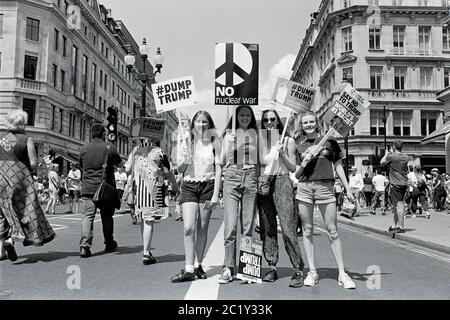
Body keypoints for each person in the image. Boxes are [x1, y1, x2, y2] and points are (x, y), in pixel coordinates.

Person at [294, 112, 356, 289]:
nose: (309, 124)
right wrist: (306, 160)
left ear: (317, 122)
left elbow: (338, 166)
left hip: (326, 187)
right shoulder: (299, 145)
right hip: (305, 188)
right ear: (302, 125)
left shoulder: (330, 142)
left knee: (333, 231)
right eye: (305, 122)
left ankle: (342, 273)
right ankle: (312, 271)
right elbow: (297, 174)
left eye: (311, 121)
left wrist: (348, 188)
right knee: (306, 230)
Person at [170, 111, 221, 282]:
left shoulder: (215, 142)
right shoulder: (186, 142)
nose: (201, 125)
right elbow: (181, 169)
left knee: (202, 227)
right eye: (198, 122)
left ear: (209, 124)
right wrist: (186, 157)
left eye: (205, 121)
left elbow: (219, 168)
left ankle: (199, 265)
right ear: (193, 124)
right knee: (188, 227)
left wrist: (216, 194)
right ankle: (188, 268)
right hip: (189, 186)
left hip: (208, 186)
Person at [256, 109, 305, 287]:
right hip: (264, 182)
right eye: (266, 120)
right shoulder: (260, 140)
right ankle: (271, 266)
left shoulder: (287, 140)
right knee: (267, 226)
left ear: (278, 121)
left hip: (282, 182)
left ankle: (298, 269)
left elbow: (293, 168)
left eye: (272, 119)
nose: (269, 122)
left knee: (287, 227)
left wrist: (282, 153)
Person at [0, 109, 55, 261]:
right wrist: (33, 169)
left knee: (4, 211)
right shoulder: (26, 139)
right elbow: (33, 163)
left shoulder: (4, 139)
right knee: (26, 209)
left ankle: (0, 251)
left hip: (1, 178)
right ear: (23, 123)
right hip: (20, 179)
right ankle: (11, 240)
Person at [218, 105, 259, 284]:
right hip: (232, 175)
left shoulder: (256, 136)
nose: (244, 117)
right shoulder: (228, 134)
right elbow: (221, 161)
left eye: (247, 115)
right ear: (236, 116)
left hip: (250, 176)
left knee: (248, 225)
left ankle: (247, 268)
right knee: (230, 225)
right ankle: (228, 267)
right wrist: (230, 145)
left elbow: (261, 160)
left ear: (251, 117)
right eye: (241, 114)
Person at [125, 143, 179, 265]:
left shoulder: (135, 150)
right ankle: (146, 253)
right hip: (153, 189)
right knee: (149, 220)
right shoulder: (159, 151)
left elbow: (127, 169)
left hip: (138, 190)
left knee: (144, 219)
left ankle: (147, 251)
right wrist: (176, 187)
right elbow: (167, 171)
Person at [78, 124, 122, 258]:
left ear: (91, 134)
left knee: (87, 217)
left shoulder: (83, 149)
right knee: (107, 217)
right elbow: (119, 164)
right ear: (103, 134)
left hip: (87, 188)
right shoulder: (109, 147)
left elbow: (82, 166)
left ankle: (85, 246)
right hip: (105, 189)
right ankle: (109, 242)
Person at [380, 140, 409, 233]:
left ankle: (401, 226)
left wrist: (386, 154)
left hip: (395, 183)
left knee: (399, 205)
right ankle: (394, 225)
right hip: (404, 183)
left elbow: (382, 163)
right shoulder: (406, 157)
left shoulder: (391, 156)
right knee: (396, 205)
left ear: (393, 147)